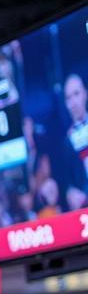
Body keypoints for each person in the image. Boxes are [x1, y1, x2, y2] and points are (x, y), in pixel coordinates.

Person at [60, 73, 88, 211]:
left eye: (76, 94)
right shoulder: (67, 141)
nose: (73, 103)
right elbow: (67, 181)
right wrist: (70, 192)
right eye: (68, 98)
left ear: (85, 94)